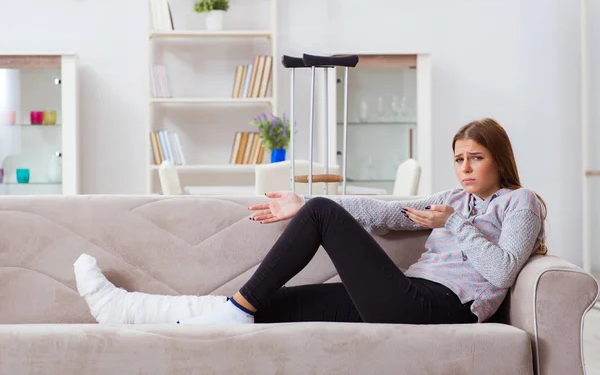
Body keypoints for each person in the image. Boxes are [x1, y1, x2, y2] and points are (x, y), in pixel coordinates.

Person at [73, 117, 546, 326]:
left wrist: (453, 225)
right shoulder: (450, 199)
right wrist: (303, 205)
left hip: (439, 307)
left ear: (498, 160)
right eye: (459, 158)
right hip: (407, 295)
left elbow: (504, 270)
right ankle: (132, 312)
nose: (464, 168)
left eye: (475, 158)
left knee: (320, 212)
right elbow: (384, 215)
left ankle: (234, 308)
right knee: (272, 306)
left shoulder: (521, 202)